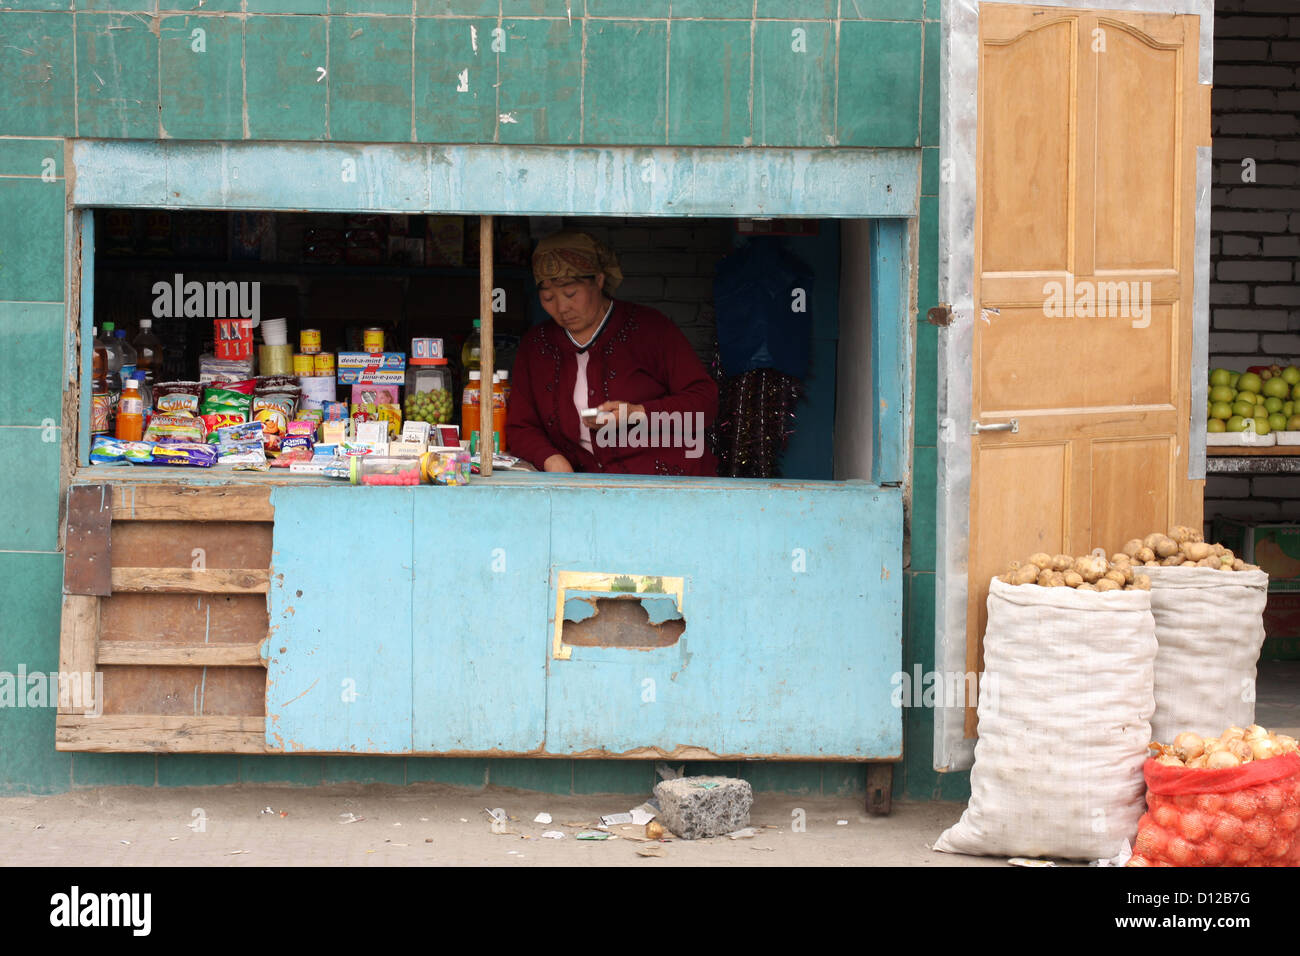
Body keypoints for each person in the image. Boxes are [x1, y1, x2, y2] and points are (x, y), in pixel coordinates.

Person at [507, 231, 718, 475]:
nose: (561, 307)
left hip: (668, 486)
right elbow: (521, 426)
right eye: (548, 297)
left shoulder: (650, 329)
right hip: (587, 490)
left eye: (570, 294)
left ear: (598, 280)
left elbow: (706, 402)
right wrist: (551, 460)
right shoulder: (536, 345)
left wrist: (638, 414)